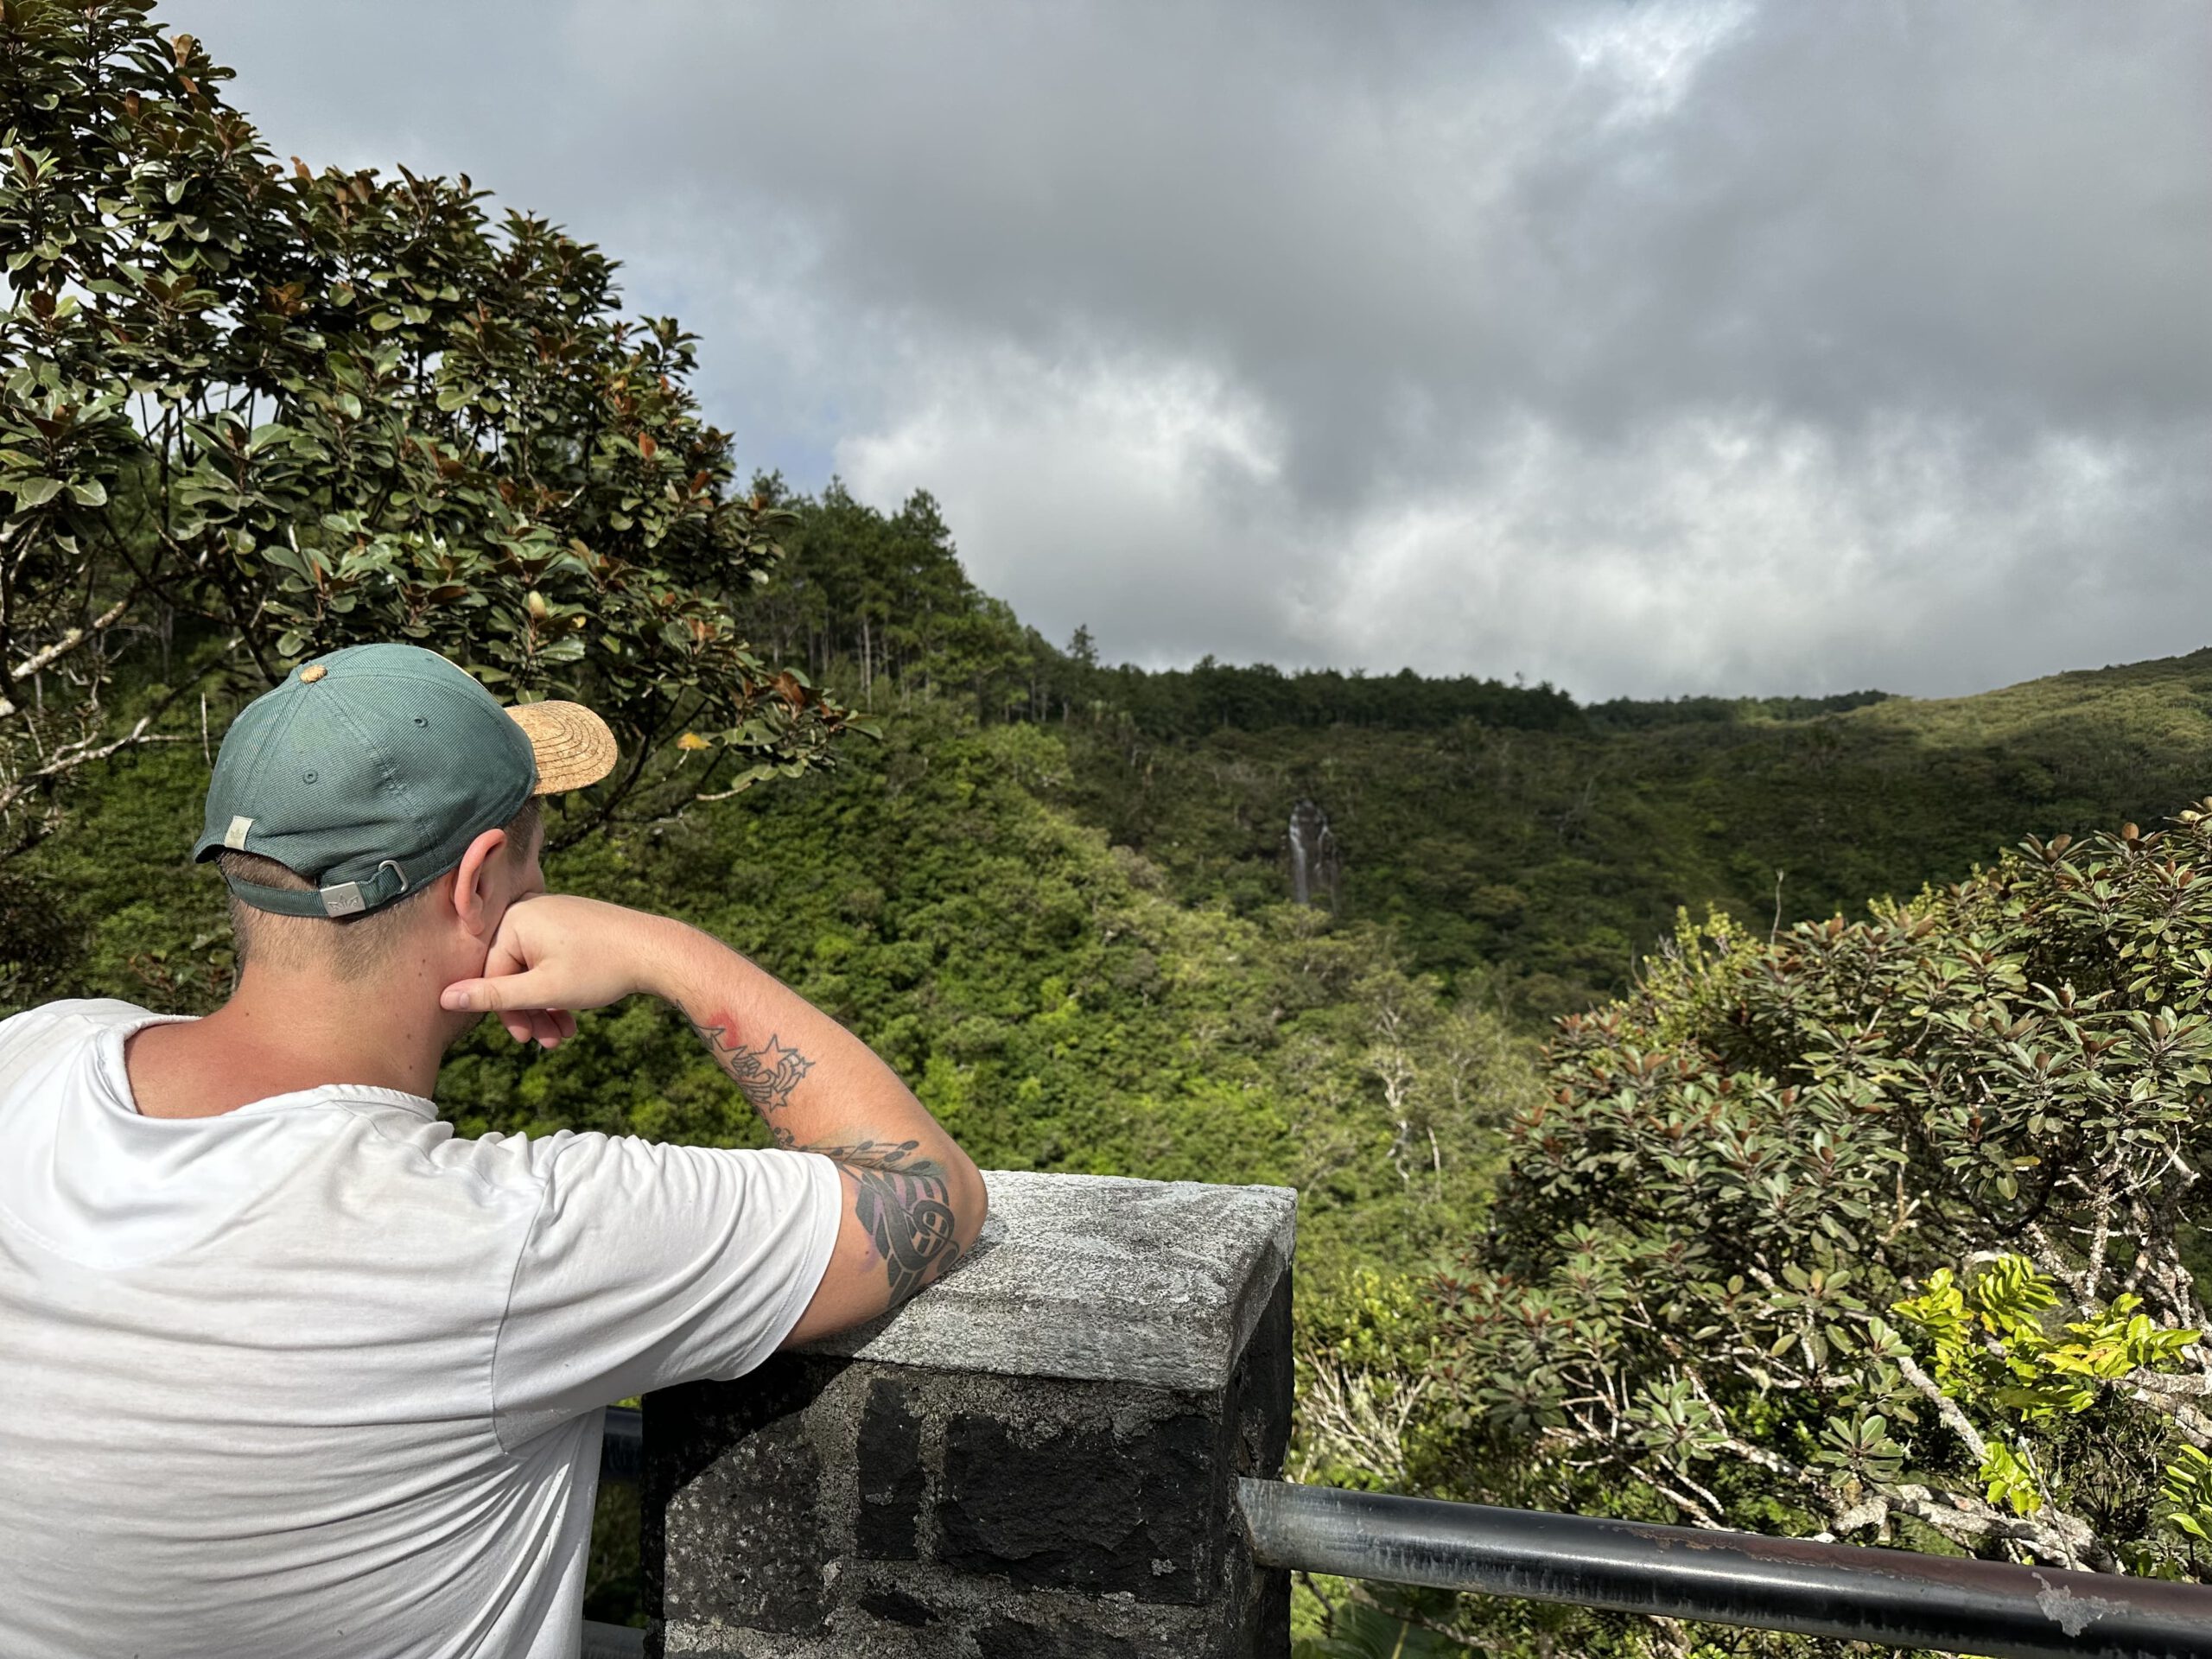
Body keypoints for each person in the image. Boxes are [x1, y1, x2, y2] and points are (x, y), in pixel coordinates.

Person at [0, 643, 988, 1658]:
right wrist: (665, 951)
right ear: (477, 884)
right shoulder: (508, 1237)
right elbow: (929, 1191)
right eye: (532, 851)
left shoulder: (32, 1057)